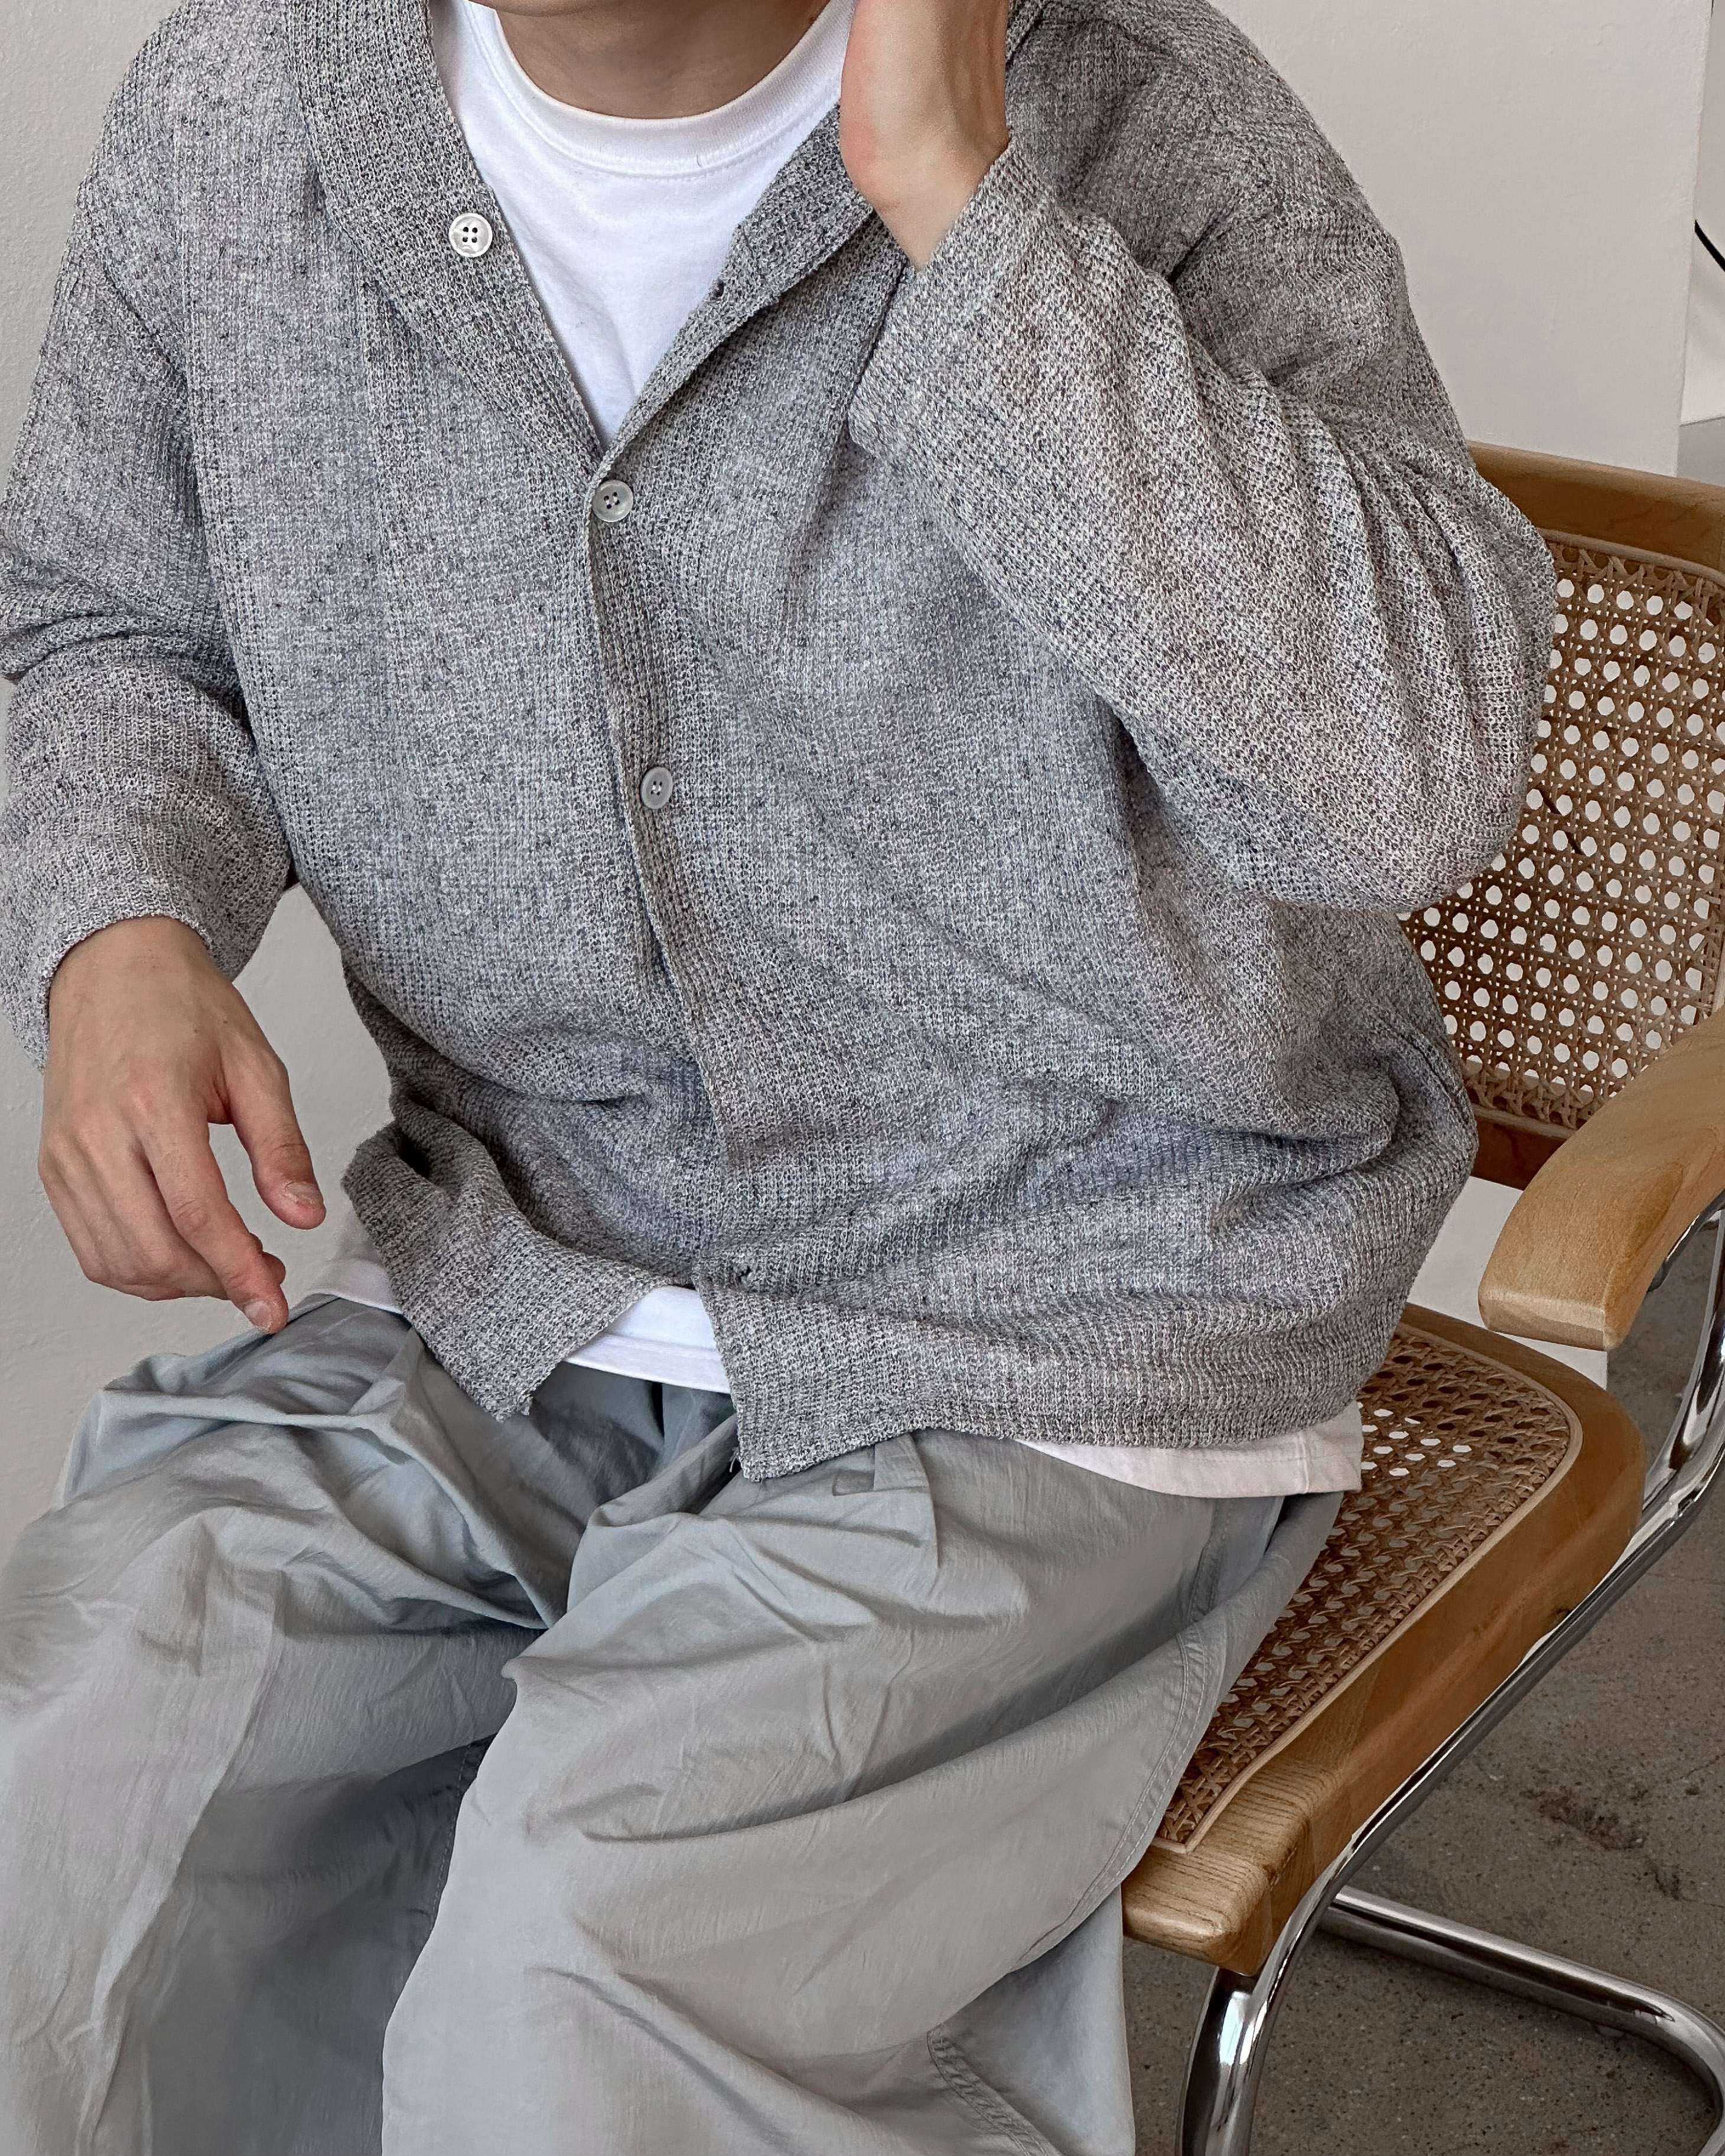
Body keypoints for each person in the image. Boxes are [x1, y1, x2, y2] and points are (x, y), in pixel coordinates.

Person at [0, 0, 1554, 2147]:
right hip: (514, 1268)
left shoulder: (1134, 109)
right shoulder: (242, 111)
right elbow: (103, 615)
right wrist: (117, 925)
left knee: (575, 1967)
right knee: (58, 1786)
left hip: (1057, 1310)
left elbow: (1410, 777)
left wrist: (966, 216)